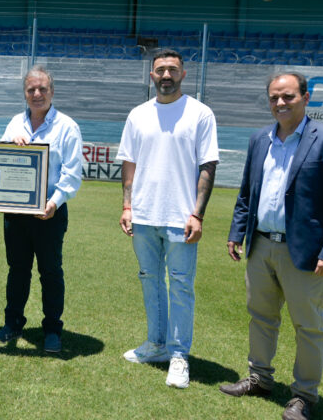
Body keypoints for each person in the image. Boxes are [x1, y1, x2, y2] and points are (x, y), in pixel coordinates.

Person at [220, 72, 323, 420]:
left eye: (287, 96)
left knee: (309, 326)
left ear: (305, 97)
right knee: (261, 317)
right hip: (261, 246)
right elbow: (247, 192)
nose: (280, 103)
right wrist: (237, 232)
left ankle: (304, 395)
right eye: (274, 97)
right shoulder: (260, 139)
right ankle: (259, 378)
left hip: (306, 253)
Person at [117, 48, 218, 389]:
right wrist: (127, 206)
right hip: (144, 214)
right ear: (151, 75)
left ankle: (178, 355)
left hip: (180, 217)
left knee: (180, 286)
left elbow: (208, 166)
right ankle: (156, 344)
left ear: (183, 75)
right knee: (149, 279)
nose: (166, 75)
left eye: (172, 70)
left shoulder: (200, 114)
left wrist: (197, 214)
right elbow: (128, 164)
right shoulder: (138, 115)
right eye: (160, 69)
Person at [0, 65, 83, 353]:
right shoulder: (15, 123)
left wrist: (54, 202)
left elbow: (72, 174)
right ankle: (12, 323)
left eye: (42, 88)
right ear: (25, 93)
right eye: (31, 89)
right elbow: (1, 161)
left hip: (50, 213)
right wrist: (8, 144)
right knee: (17, 269)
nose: (37, 93)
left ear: (52, 92)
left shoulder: (67, 126)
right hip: (16, 213)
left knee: (50, 271)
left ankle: (53, 329)